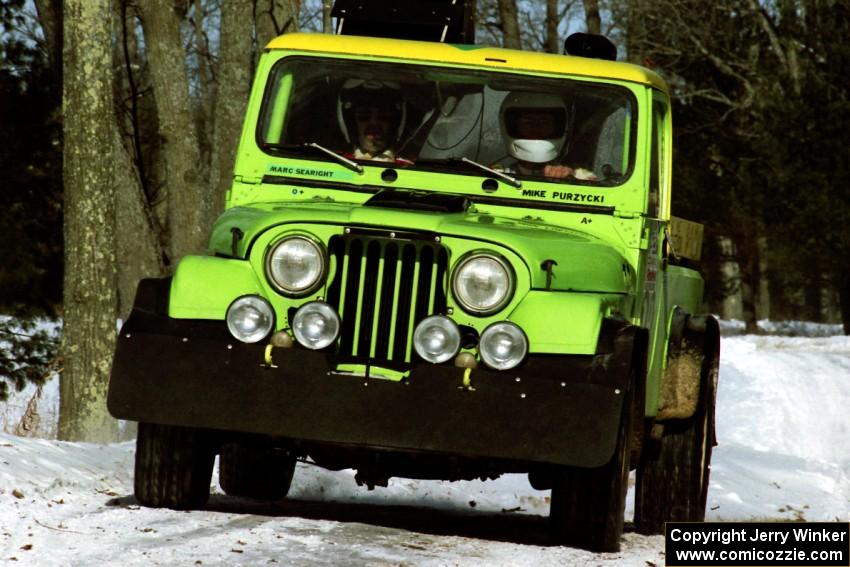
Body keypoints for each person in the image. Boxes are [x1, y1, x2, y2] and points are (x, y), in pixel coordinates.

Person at [499, 91, 596, 181]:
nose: (536, 128)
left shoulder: (576, 176)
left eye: (544, 122)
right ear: (512, 126)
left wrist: (571, 177)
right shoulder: (495, 176)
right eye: (528, 122)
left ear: (558, 127)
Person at [337, 79, 409, 162]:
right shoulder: (335, 163)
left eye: (383, 116)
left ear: (394, 123)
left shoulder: (411, 169)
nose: (374, 123)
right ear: (352, 123)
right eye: (364, 116)